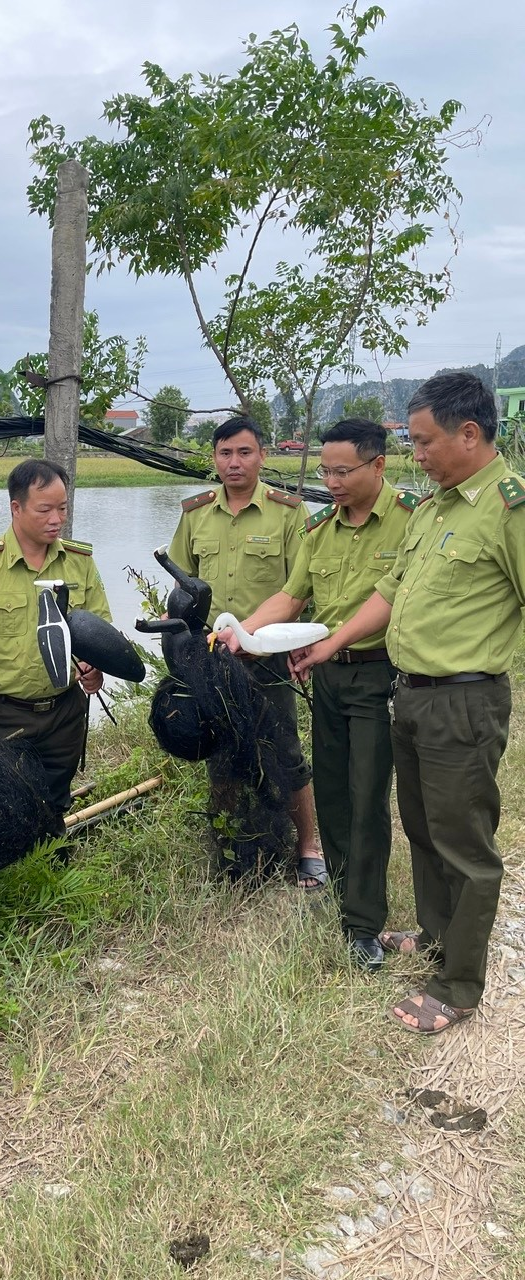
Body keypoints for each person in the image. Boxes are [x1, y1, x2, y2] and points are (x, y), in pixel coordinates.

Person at [293, 373, 525, 1033]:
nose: (415, 455)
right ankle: (433, 936)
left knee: (464, 846)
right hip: (412, 696)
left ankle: (457, 989)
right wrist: (329, 642)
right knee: (422, 831)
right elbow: (390, 592)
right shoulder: (434, 508)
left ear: (470, 433)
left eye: (423, 442)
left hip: (464, 702)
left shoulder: (508, 508)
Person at [218, 420, 420, 968]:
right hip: (326, 675)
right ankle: (343, 900)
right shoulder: (319, 530)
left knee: (368, 796)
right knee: (331, 792)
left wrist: (330, 644)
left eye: (342, 471)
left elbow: (394, 598)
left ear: (378, 466)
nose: (329, 481)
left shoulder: (410, 521)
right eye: (325, 470)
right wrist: (245, 633)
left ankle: (364, 922)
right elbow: (290, 596)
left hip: (382, 675)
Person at [166, 415, 324, 888]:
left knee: (286, 753)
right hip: (214, 662)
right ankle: (231, 845)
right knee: (222, 754)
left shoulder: (288, 512)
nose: (234, 462)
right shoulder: (195, 513)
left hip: (268, 655)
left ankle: (308, 848)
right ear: (214, 459)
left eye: (244, 452)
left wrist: (297, 641)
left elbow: (303, 589)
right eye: (225, 453)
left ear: (262, 456)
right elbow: (180, 589)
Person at [0, 458, 111, 811]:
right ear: (16, 508)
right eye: (44, 509)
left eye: (63, 508)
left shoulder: (80, 562)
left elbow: (98, 630)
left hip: (64, 711)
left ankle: (53, 862)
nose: (56, 519)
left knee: (55, 802)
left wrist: (94, 666)